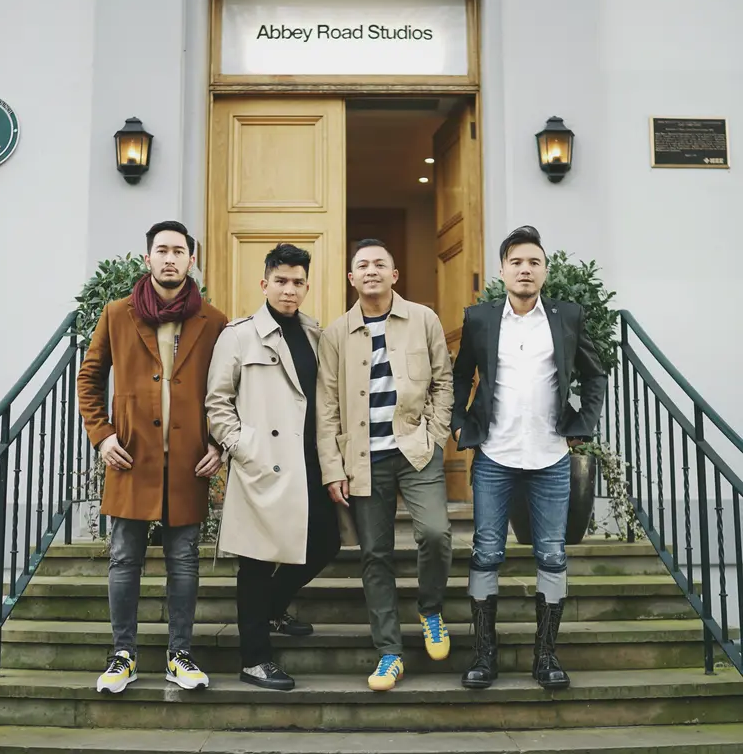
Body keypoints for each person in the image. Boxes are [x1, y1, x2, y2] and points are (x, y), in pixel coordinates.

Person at [452, 224, 607, 690]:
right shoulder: (480, 319)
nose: (525, 269)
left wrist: (583, 424)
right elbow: (460, 375)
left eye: (533, 262)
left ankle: (546, 656)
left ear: (545, 270)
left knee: (553, 556)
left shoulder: (567, 316)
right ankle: (484, 656)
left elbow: (595, 375)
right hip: (495, 456)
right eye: (516, 261)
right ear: (502, 270)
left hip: (551, 457)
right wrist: (460, 422)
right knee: (485, 555)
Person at [78, 220, 228, 695]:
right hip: (130, 458)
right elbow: (89, 378)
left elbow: (229, 390)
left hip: (189, 461)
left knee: (184, 560)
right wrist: (101, 436)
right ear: (148, 258)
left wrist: (220, 444)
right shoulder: (118, 313)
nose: (170, 258)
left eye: (178, 251)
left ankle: (178, 655)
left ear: (191, 260)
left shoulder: (214, 321)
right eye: (161, 250)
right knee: (124, 559)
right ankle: (122, 655)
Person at [317, 238, 453, 692]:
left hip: (416, 449)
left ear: (395, 275)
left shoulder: (424, 319)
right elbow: (327, 406)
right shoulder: (336, 334)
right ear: (351, 278)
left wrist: (434, 435)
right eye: (362, 265)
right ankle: (389, 653)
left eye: (380, 263)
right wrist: (333, 467)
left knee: (435, 531)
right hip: (362, 459)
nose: (371, 270)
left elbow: (443, 380)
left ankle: (430, 608)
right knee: (375, 555)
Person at [204, 243, 341, 691]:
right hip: (264, 464)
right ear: (264, 284)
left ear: (306, 285)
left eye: (298, 282)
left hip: (308, 463)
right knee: (257, 563)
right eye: (281, 281)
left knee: (325, 542)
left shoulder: (315, 333)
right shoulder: (239, 335)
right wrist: (242, 447)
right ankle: (254, 659)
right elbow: (218, 402)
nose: (289, 289)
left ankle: (272, 611)